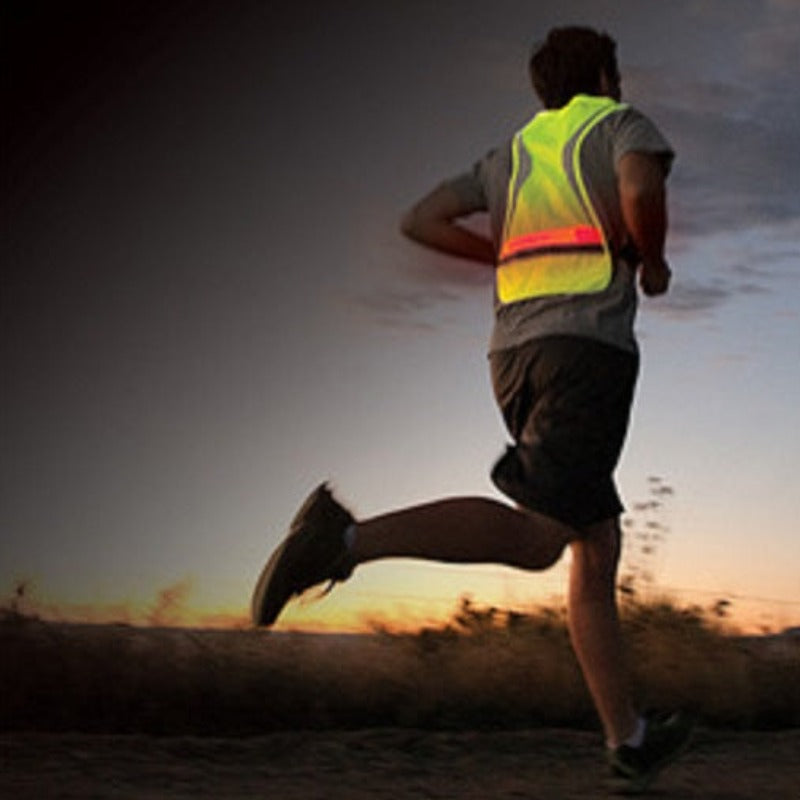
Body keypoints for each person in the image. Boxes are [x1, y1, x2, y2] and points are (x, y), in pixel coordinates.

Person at [251, 26, 692, 793]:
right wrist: (650, 261)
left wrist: (502, 255)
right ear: (599, 73)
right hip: (586, 351)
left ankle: (630, 739)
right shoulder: (618, 125)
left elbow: (419, 219)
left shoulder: (510, 157)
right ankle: (341, 541)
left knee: (596, 539)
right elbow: (641, 189)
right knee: (540, 539)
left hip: (513, 357)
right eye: (614, 72)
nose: (619, 84)